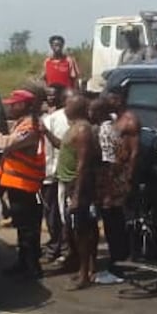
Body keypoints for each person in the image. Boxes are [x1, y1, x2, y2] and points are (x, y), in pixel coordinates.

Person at [0, 89, 46, 279]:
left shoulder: (29, 126)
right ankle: (23, 263)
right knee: (22, 227)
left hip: (26, 186)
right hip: (17, 184)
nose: (10, 107)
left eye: (13, 104)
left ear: (23, 105)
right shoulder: (22, 123)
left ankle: (31, 267)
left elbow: (5, 143)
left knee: (28, 229)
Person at [94, 85, 141, 282]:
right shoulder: (116, 119)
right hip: (111, 176)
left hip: (119, 177)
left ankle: (119, 266)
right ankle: (117, 261)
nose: (107, 101)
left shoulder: (129, 120)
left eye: (110, 98)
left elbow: (134, 153)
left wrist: (127, 179)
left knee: (115, 222)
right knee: (111, 221)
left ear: (119, 99)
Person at [54, 95, 99, 290]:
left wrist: (77, 195)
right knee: (75, 229)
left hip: (77, 185)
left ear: (77, 108)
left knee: (82, 230)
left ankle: (84, 275)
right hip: (69, 183)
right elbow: (62, 147)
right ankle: (85, 269)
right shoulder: (73, 128)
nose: (65, 108)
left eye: (68, 104)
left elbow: (83, 165)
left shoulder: (82, 130)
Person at [39, 87, 76, 263]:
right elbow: (48, 149)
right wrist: (48, 173)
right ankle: (59, 246)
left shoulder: (82, 120)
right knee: (55, 212)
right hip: (55, 173)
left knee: (63, 213)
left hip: (67, 175)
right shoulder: (52, 119)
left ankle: (64, 248)